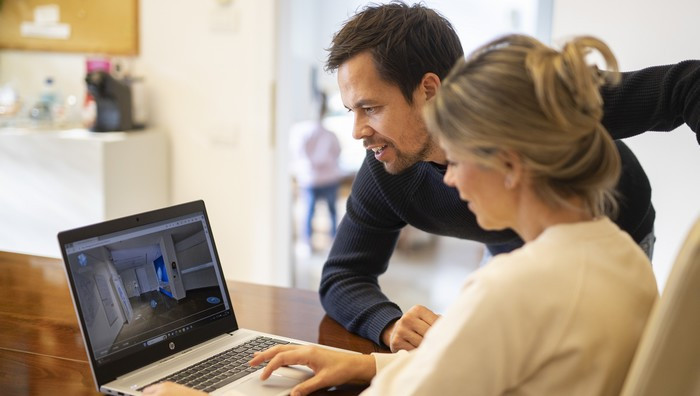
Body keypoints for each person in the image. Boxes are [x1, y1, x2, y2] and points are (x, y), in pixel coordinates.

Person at [144, 33, 659, 396]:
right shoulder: (621, 257)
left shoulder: (508, 290)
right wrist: (371, 361)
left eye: (456, 160)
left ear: (508, 163)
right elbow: (471, 372)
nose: (450, 180)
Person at [319, 2, 699, 352]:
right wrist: (389, 326)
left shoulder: (534, 102)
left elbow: (689, 85)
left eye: (370, 108)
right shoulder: (388, 164)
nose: (357, 131)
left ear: (429, 90)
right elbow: (343, 275)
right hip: (508, 241)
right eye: (352, 110)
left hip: (611, 230)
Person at [289, 92, 344, 250]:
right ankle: (334, 241)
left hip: (311, 179)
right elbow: (337, 152)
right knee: (332, 212)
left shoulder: (302, 132)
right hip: (327, 178)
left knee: (308, 212)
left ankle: (306, 243)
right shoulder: (330, 134)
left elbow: (298, 154)